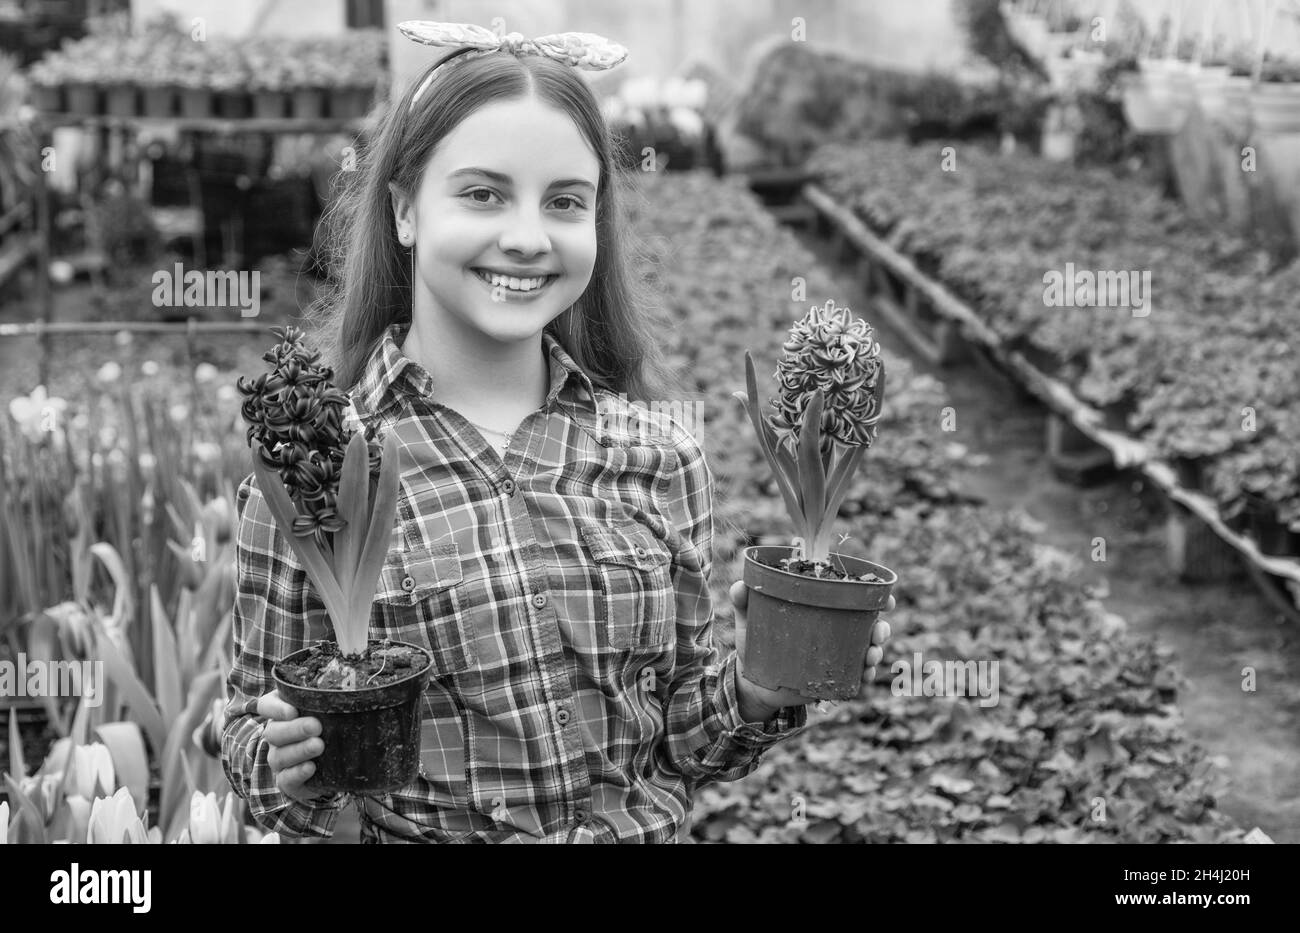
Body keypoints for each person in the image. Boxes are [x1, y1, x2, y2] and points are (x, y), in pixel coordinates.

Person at [222, 21, 892, 844]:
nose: (529, 236)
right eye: (482, 194)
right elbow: (247, 736)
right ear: (403, 209)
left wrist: (762, 687)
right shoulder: (318, 472)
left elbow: (680, 738)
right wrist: (286, 758)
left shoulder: (658, 455)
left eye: (566, 202)